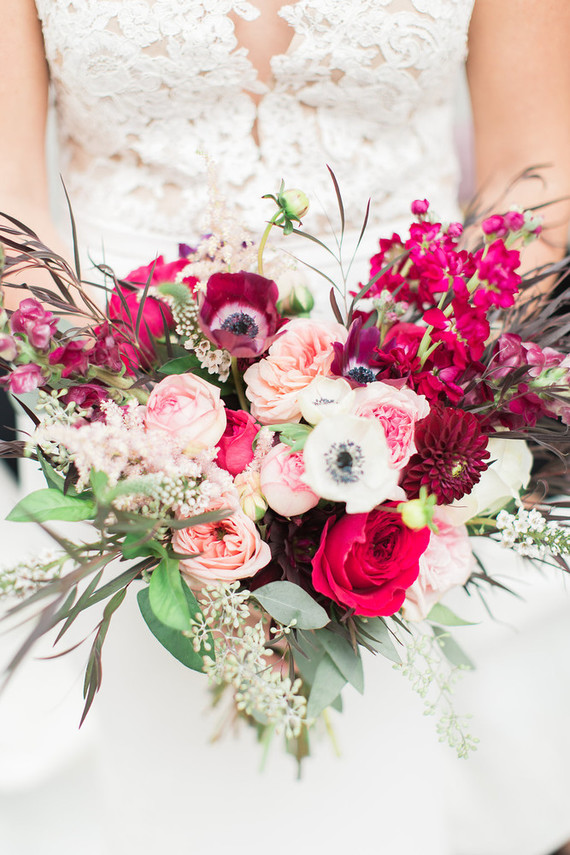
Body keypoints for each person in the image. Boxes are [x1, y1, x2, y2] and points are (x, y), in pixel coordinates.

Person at [0, 2, 569, 854]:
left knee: (388, 785)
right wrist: (146, 435)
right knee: (165, 792)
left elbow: (536, 179)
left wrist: (412, 420)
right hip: (123, 436)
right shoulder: (128, 432)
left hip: (412, 431)